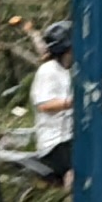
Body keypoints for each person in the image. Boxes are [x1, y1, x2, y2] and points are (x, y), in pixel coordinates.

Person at [31, 21, 75, 183]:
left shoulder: (65, 71)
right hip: (55, 142)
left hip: (68, 137)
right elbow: (45, 105)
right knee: (79, 172)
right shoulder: (48, 70)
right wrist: (74, 102)